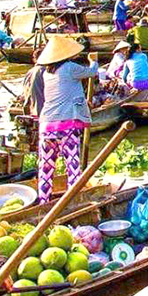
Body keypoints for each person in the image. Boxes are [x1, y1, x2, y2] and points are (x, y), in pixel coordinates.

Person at [37, 36, 99, 202]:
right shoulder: (70, 68)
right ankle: (73, 199)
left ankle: (43, 200)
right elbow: (92, 72)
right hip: (66, 126)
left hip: (46, 126)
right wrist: (93, 60)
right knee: (72, 166)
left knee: (46, 166)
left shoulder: (47, 73)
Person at [20, 48, 46, 117]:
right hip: (43, 111)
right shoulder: (47, 71)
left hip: (31, 110)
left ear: (34, 59)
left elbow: (25, 91)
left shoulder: (30, 72)